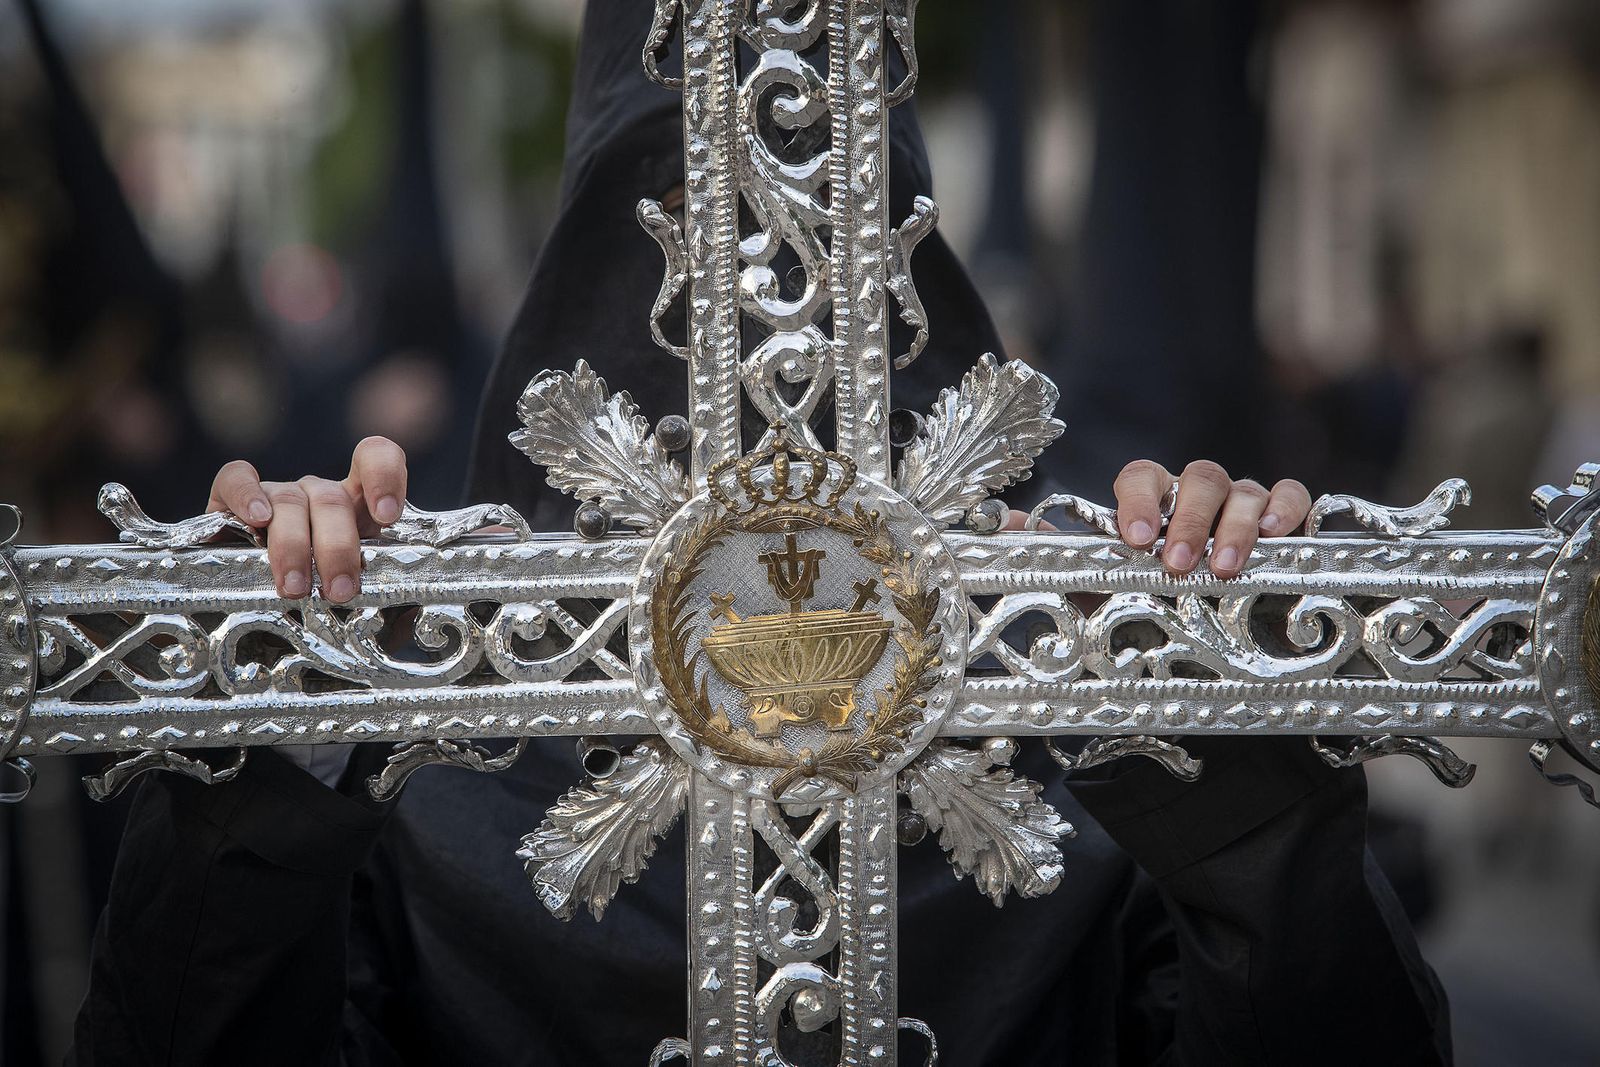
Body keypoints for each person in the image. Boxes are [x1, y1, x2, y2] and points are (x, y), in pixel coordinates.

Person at [69, 3, 1452, 1064]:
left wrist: (1238, 740)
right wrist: (261, 726)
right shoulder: (423, 744)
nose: (757, 430)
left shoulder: (1078, 722)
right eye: (665, 319)